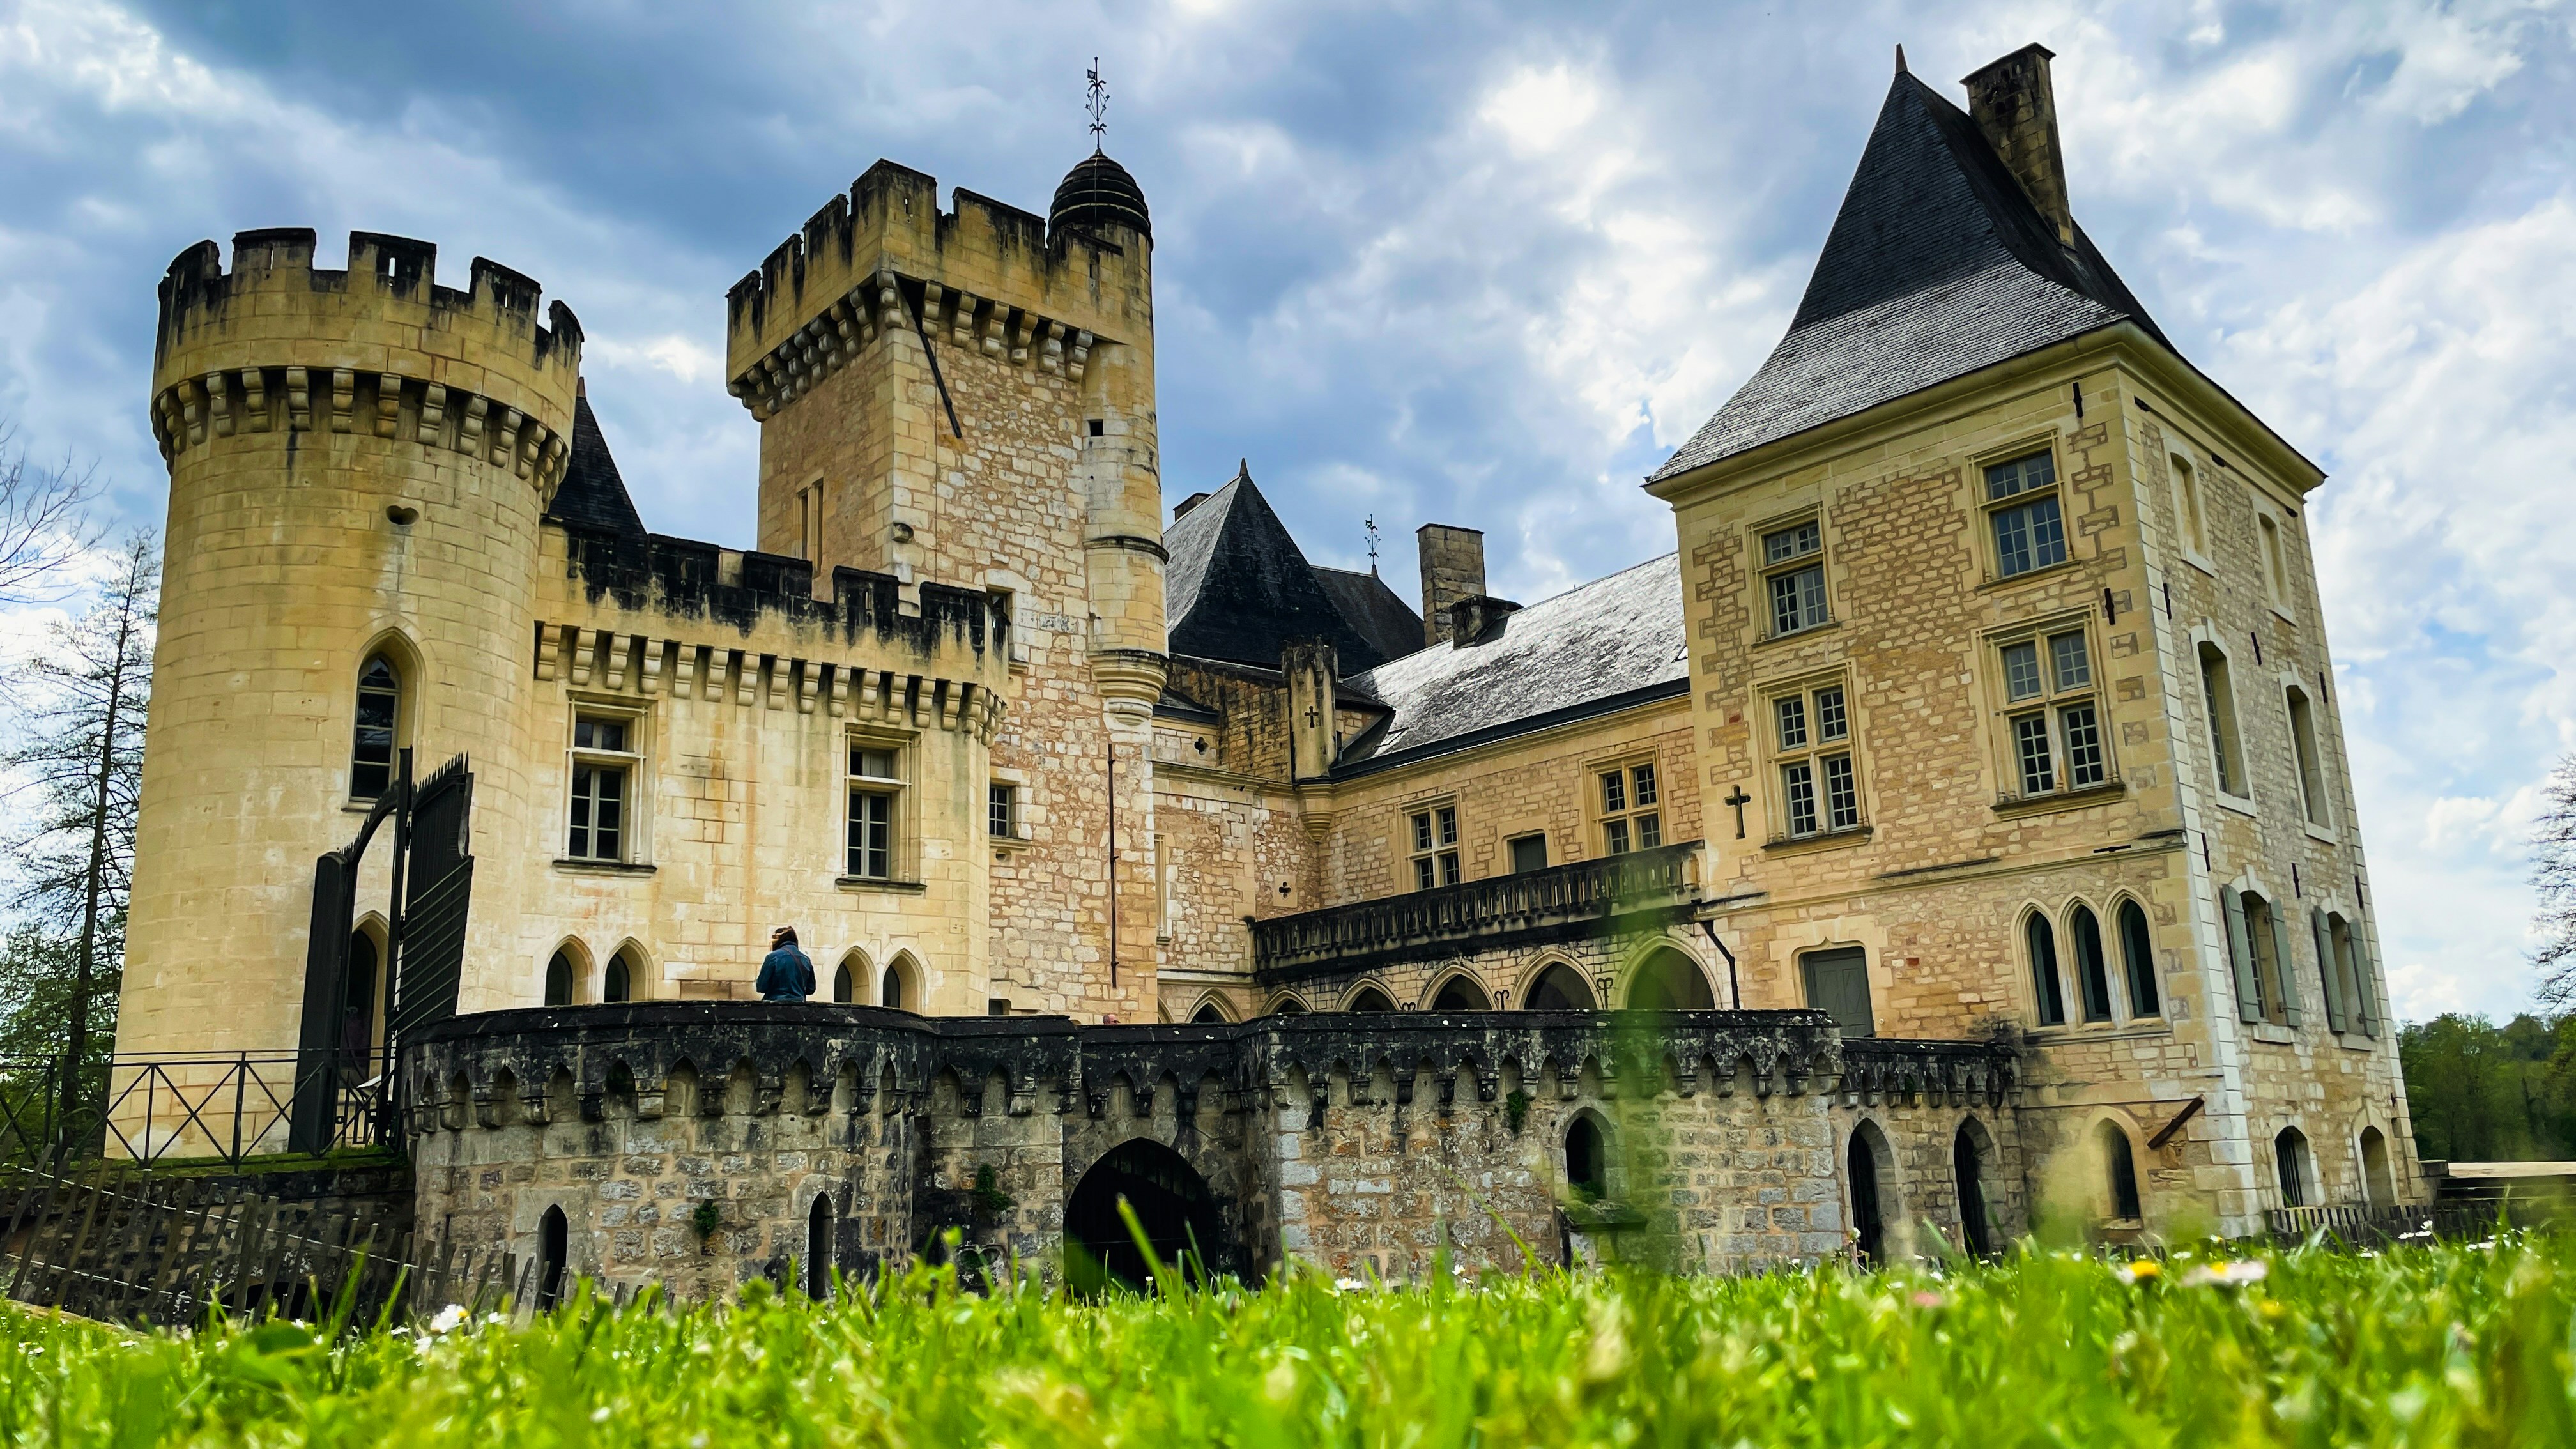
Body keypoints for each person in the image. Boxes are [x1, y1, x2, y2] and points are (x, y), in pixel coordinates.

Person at [756, 926, 815, 1003]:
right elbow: (811, 989)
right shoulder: (806, 959)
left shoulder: (772, 957)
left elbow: (761, 987)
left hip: (775, 1008)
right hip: (799, 1007)